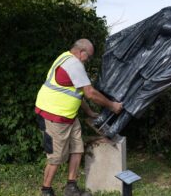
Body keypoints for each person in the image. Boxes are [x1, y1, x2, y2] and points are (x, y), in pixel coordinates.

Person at [92, 0, 171, 138]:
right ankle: (103, 116)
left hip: (164, 67)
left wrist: (170, 75)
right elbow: (156, 24)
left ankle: (115, 128)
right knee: (124, 87)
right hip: (146, 55)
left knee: (140, 98)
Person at [34, 39, 123, 196]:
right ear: (82, 52)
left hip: (68, 116)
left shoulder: (65, 57)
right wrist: (112, 105)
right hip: (54, 116)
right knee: (56, 157)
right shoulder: (74, 64)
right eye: (88, 57)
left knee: (77, 148)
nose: (87, 60)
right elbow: (89, 93)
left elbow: (76, 92)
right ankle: (46, 190)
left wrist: (88, 111)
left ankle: (71, 187)